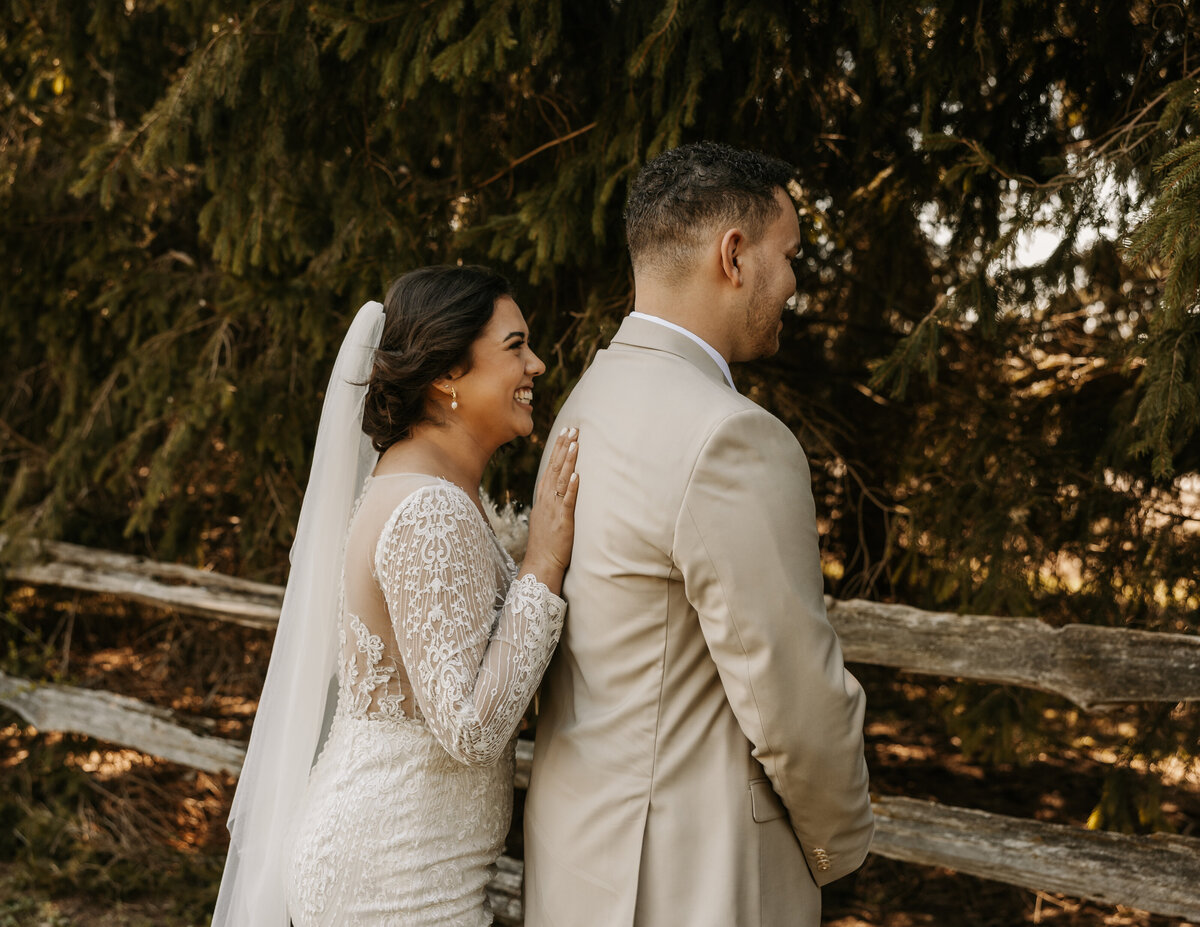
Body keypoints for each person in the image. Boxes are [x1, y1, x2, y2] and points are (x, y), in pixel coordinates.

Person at [523, 142, 874, 927]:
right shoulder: (729, 436)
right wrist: (838, 848)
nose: (795, 283)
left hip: (580, 864)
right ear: (734, 255)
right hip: (691, 881)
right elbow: (796, 702)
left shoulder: (586, 400)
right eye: (789, 256)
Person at [212, 265, 579, 926]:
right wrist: (545, 562)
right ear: (447, 375)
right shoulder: (429, 511)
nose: (537, 364)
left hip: (405, 859)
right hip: (395, 878)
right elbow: (470, 727)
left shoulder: (423, 484)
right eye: (515, 346)